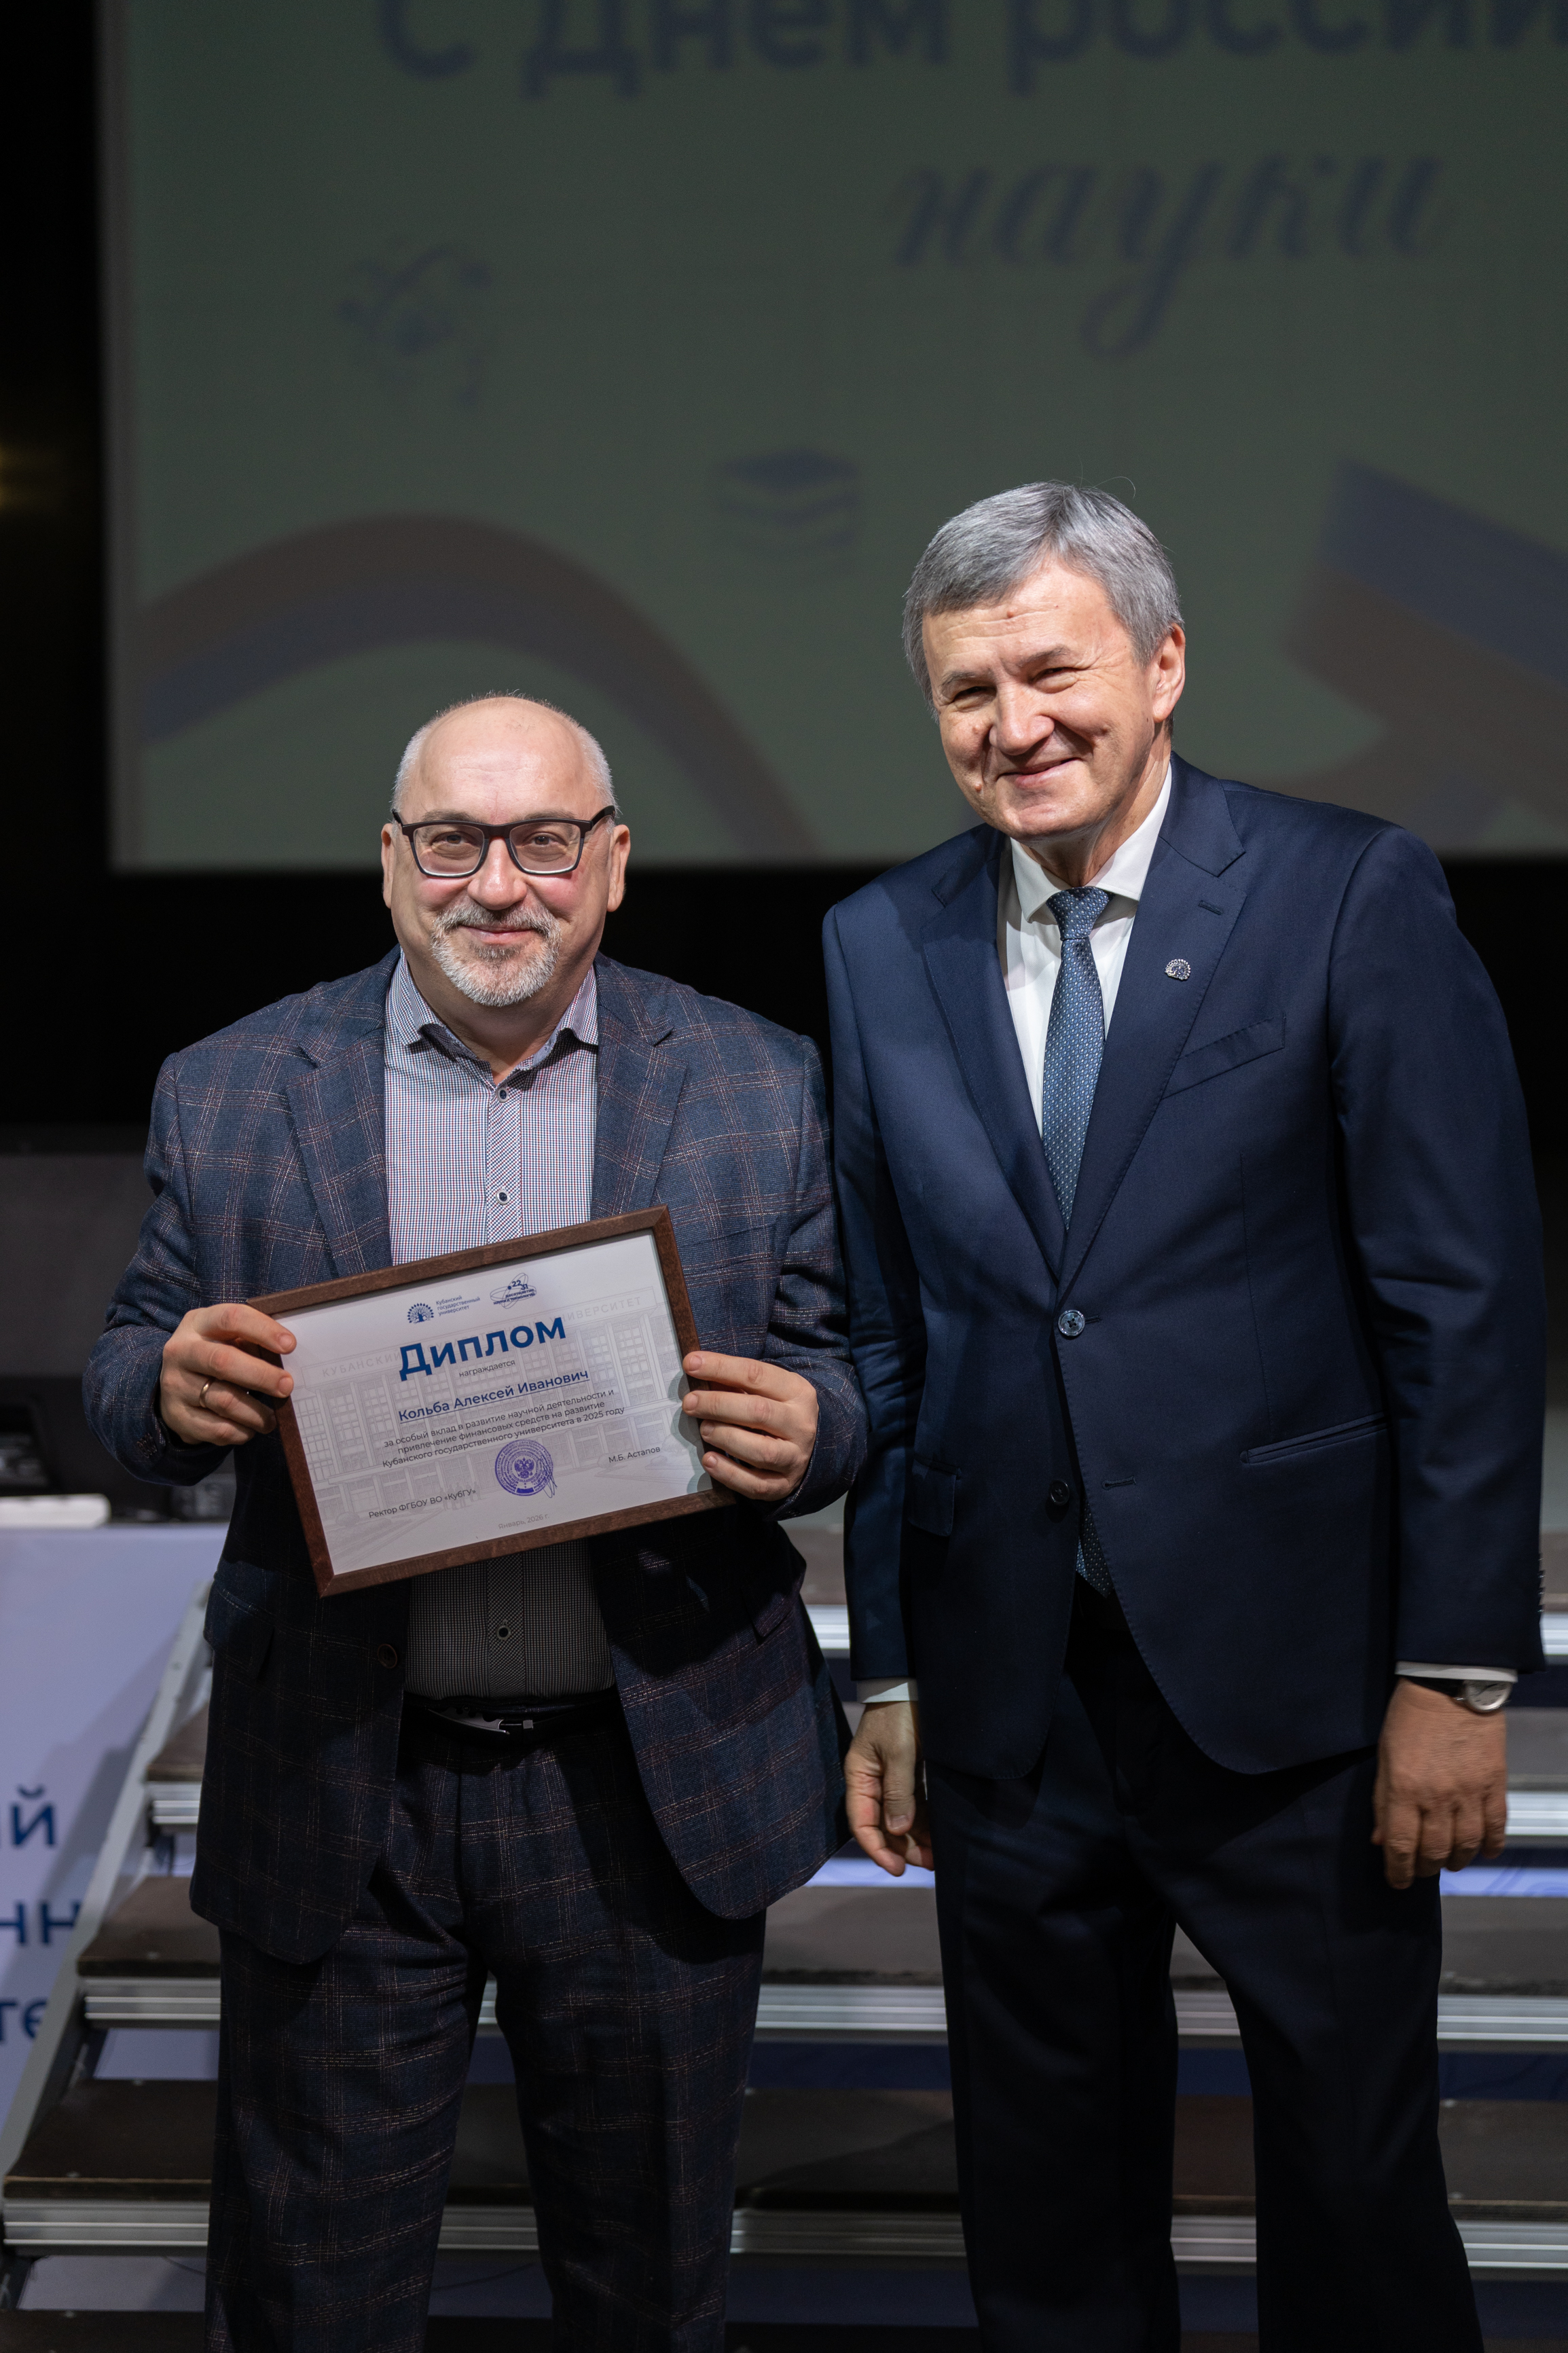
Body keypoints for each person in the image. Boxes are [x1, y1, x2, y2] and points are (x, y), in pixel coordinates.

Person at [824, 484, 1544, 2352]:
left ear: (1160, 665)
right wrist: (889, 1667)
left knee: (1357, 2203)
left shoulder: (1345, 891)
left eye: (1049, 671)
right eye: (966, 690)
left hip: (1299, 1691)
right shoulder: (876, 943)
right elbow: (892, 1337)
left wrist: (1457, 1671)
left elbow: (1461, 1304)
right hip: (1008, 1698)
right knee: (1047, 2226)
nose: (1013, 724)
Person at [86, 694, 865, 2353]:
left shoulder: (760, 1082)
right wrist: (163, 1382)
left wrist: (822, 1430)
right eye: (454, 840)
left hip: (645, 1784)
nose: (497, 884)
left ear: (615, 864)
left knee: (650, 2296)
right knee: (313, 2300)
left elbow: (847, 1371)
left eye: (544, 842)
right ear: (392, 862)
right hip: (349, 1785)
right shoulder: (231, 1088)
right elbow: (128, 1353)